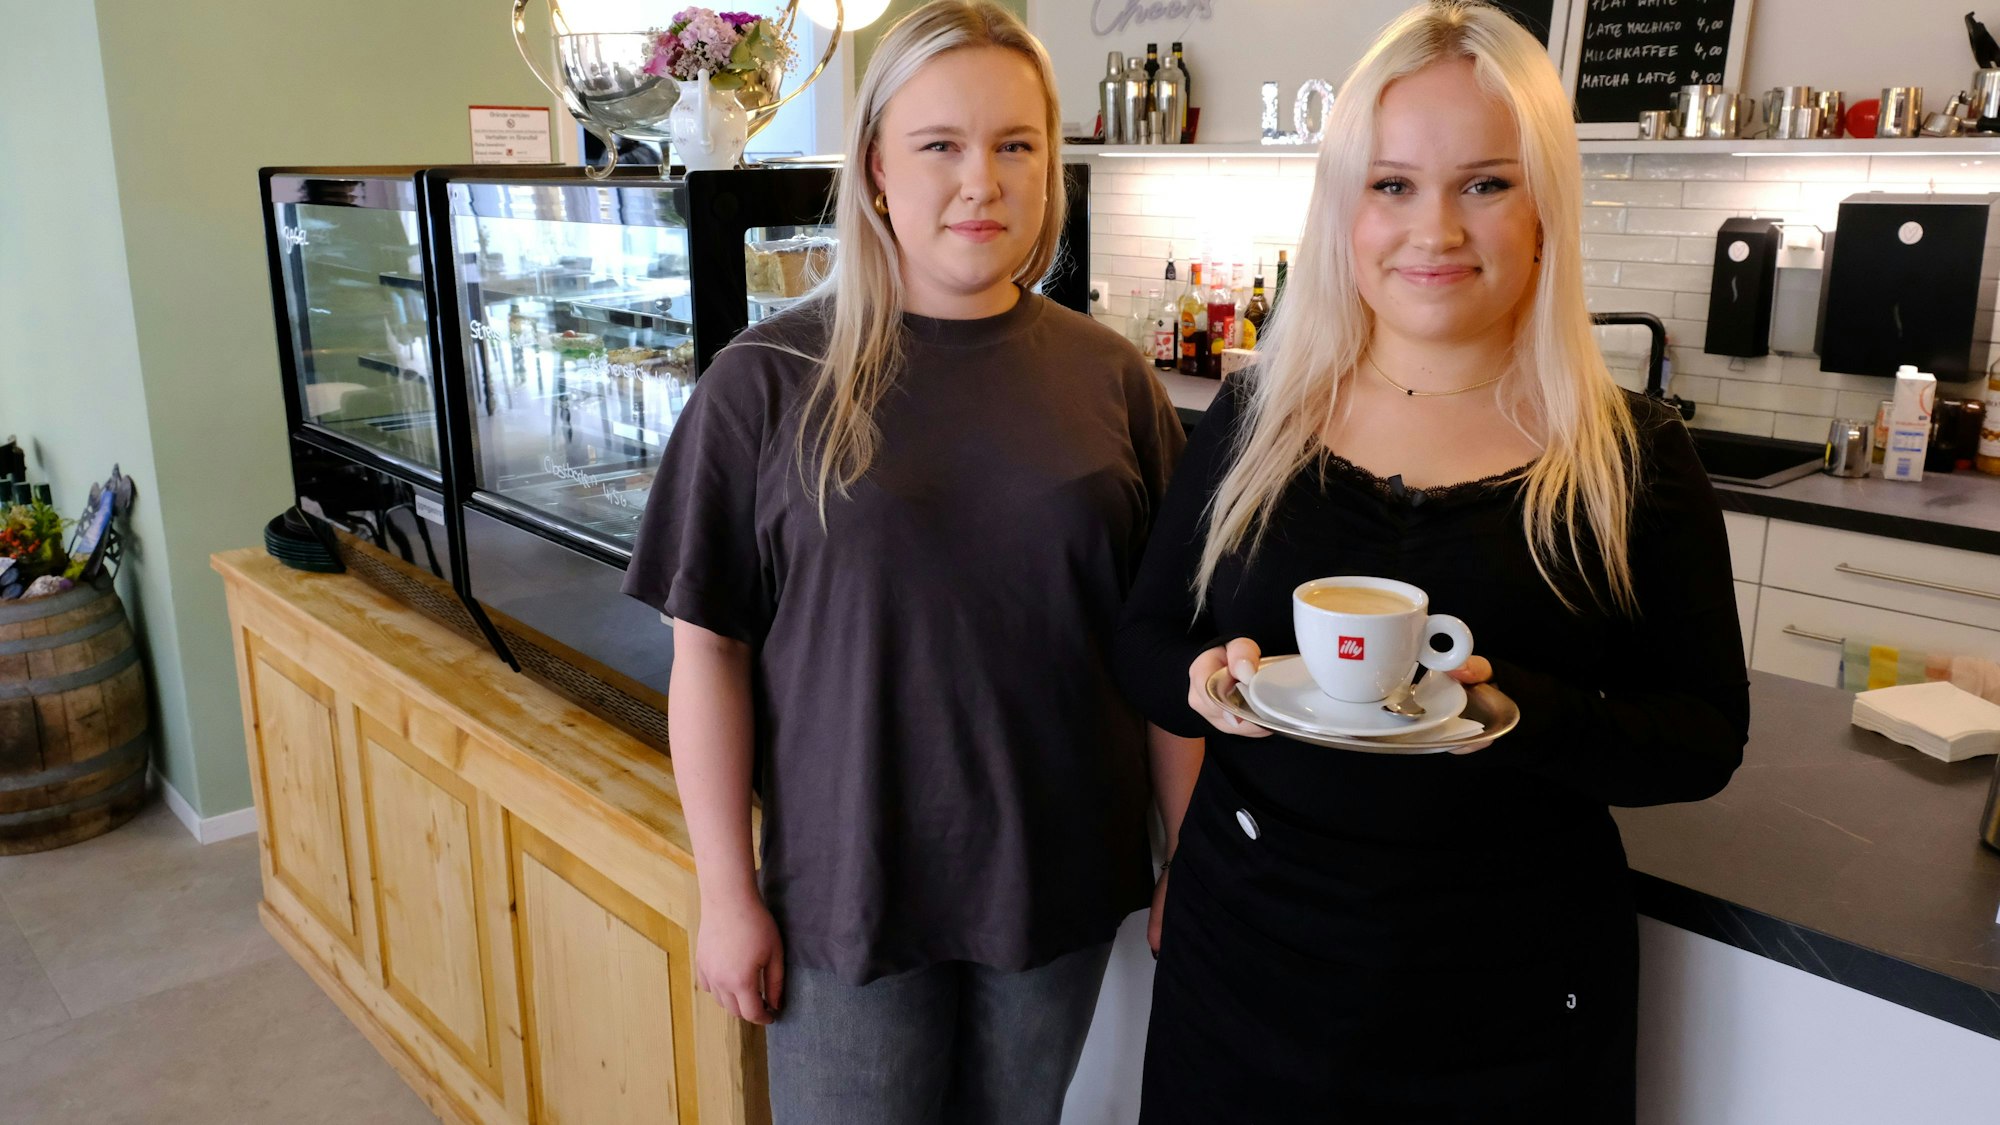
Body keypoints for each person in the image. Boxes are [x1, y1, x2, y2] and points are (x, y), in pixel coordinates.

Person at [1113, 2, 1749, 1120]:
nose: (1434, 230)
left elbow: (1700, 742)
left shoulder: (1630, 459)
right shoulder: (1257, 413)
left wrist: (1521, 714)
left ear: (1545, 203)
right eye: (1391, 184)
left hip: (1507, 997)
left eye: (1485, 184)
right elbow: (1143, 641)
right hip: (1245, 958)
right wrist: (1206, 686)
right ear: (1343, 209)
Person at [621, 3, 1189, 1122]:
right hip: (847, 895)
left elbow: (1162, 650)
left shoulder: (1110, 378)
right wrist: (724, 894)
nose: (979, 182)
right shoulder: (767, 380)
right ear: (877, 166)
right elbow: (707, 662)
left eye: (1013, 145)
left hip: (1056, 880)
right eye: (939, 145)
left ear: (1047, 167)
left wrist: (1195, 852)